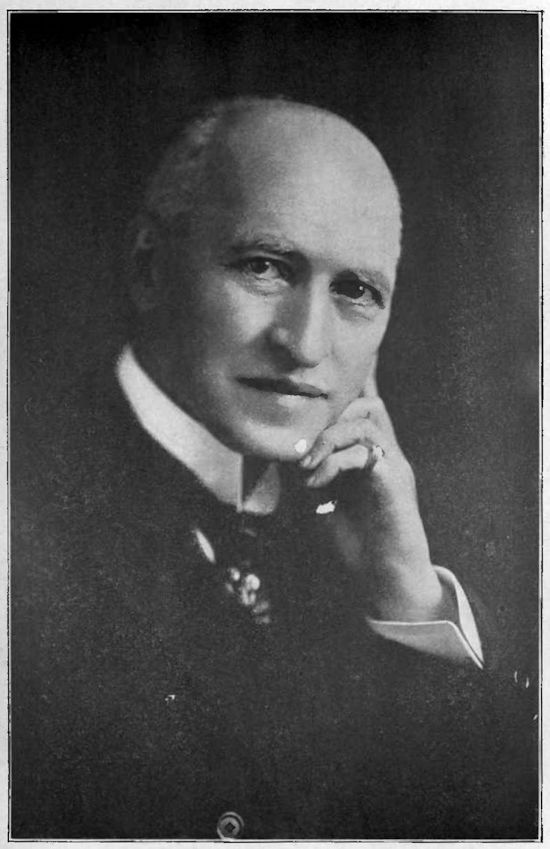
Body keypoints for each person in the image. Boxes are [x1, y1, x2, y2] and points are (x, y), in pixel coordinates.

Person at [11, 96, 537, 839]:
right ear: (149, 266)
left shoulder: (374, 537)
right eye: (264, 267)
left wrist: (411, 598)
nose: (306, 344)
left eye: (356, 291)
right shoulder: (26, 500)